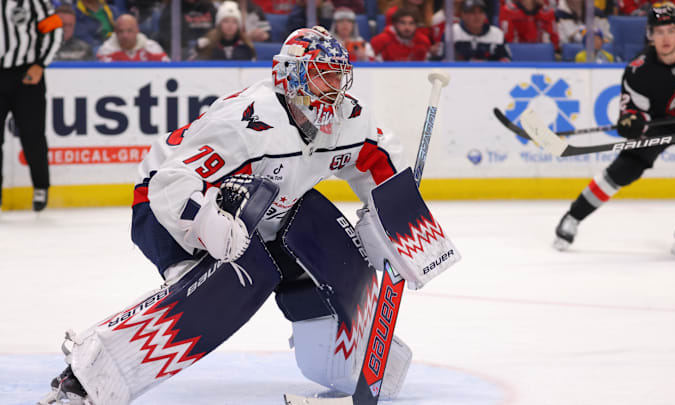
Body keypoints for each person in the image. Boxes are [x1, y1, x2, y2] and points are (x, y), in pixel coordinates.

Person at [37, 25, 459, 405]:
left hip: (272, 209)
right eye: (321, 74)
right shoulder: (248, 122)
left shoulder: (349, 120)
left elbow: (379, 165)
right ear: (291, 75)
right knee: (226, 286)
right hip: (171, 208)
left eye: (338, 74)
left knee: (334, 246)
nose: (334, 86)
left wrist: (401, 226)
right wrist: (207, 225)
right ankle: (86, 379)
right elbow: (170, 184)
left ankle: (348, 364)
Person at [554, 3, 675, 256]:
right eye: (658, 31)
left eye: (670, 30)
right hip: (660, 123)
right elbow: (631, 112)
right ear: (650, 35)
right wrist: (631, 122)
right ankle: (573, 217)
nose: (665, 37)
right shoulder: (638, 70)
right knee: (624, 171)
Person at [0, 0, 63, 211]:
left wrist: (40, 64)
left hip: (26, 75)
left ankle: (40, 187)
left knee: (32, 135)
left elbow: (55, 30)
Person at [447, 0, 511, 61]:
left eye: (481, 12)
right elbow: (443, 59)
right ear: (463, 15)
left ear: (485, 15)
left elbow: (506, 60)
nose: (477, 16)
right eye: (472, 12)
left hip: (491, 71)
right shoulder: (452, 32)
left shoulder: (497, 34)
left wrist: (488, 65)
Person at [96, 14, 170, 61]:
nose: (125, 35)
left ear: (137, 30)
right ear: (115, 32)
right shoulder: (106, 51)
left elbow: (167, 70)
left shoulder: (151, 48)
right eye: (121, 31)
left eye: (129, 31)